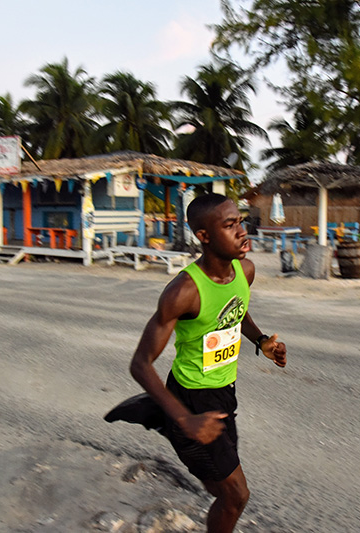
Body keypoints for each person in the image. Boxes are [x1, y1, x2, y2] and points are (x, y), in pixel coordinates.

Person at [122, 193, 287, 533]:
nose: (242, 232)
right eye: (230, 225)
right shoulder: (183, 291)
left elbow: (235, 310)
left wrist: (261, 341)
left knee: (217, 487)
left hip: (224, 395)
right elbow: (140, 363)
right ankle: (172, 420)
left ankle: (167, 422)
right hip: (192, 400)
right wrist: (186, 418)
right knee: (236, 495)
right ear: (204, 237)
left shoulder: (245, 270)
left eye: (240, 221)